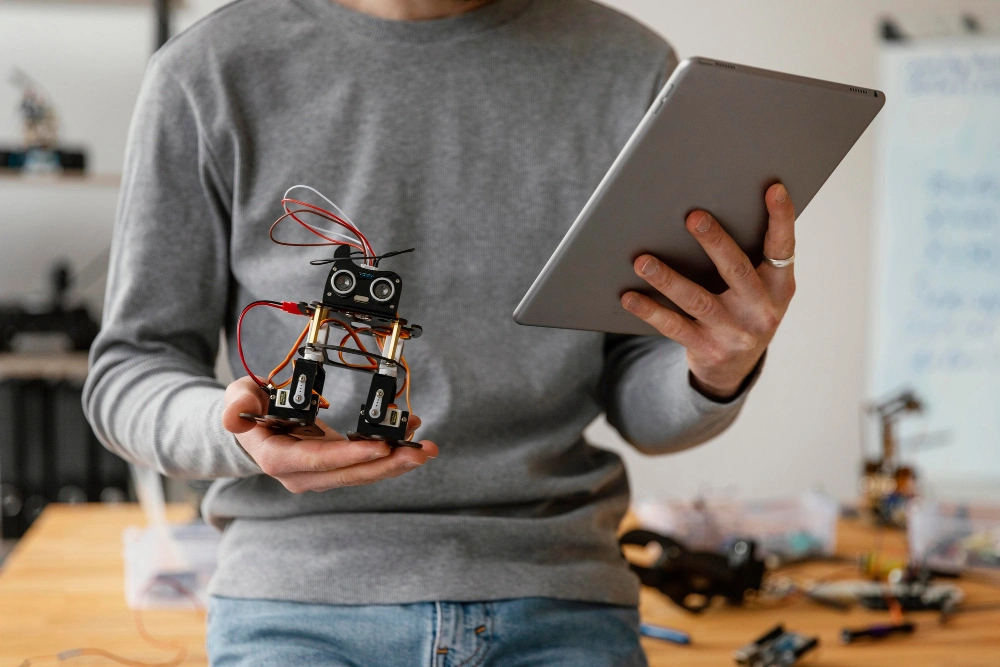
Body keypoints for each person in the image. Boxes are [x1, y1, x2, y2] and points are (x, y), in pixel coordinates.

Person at [84, 0, 797, 664]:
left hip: (558, 590)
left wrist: (715, 370)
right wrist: (228, 428)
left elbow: (640, 391)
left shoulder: (627, 68)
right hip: (299, 597)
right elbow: (129, 371)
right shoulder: (209, 70)